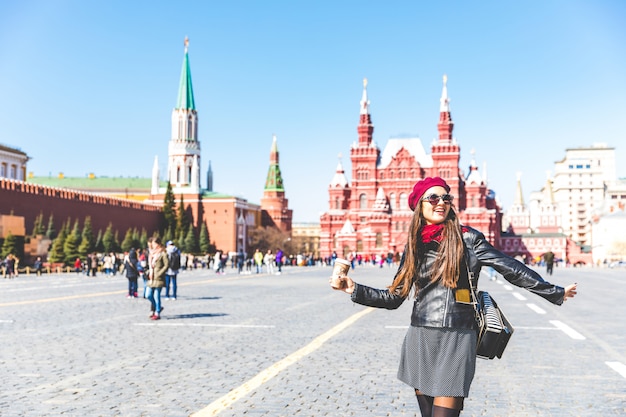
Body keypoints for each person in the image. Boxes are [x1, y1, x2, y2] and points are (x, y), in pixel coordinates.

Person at [330, 177, 578, 417]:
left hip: (457, 334)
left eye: (445, 197)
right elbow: (395, 297)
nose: (441, 202)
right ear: (419, 205)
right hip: (421, 335)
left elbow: (509, 267)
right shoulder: (414, 244)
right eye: (433, 197)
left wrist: (553, 291)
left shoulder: (468, 238)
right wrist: (353, 288)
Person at [146, 236, 169, 320]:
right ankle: (157, 306)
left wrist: (160, 273)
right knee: (148, 295)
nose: (153, 245)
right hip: (151, 277)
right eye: (153, 244)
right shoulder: (152, 253)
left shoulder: (163, 253)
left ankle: (157, 312)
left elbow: (166, 265)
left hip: (158, 277)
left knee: (156, 295)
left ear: (159, 244)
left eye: (155, 244)